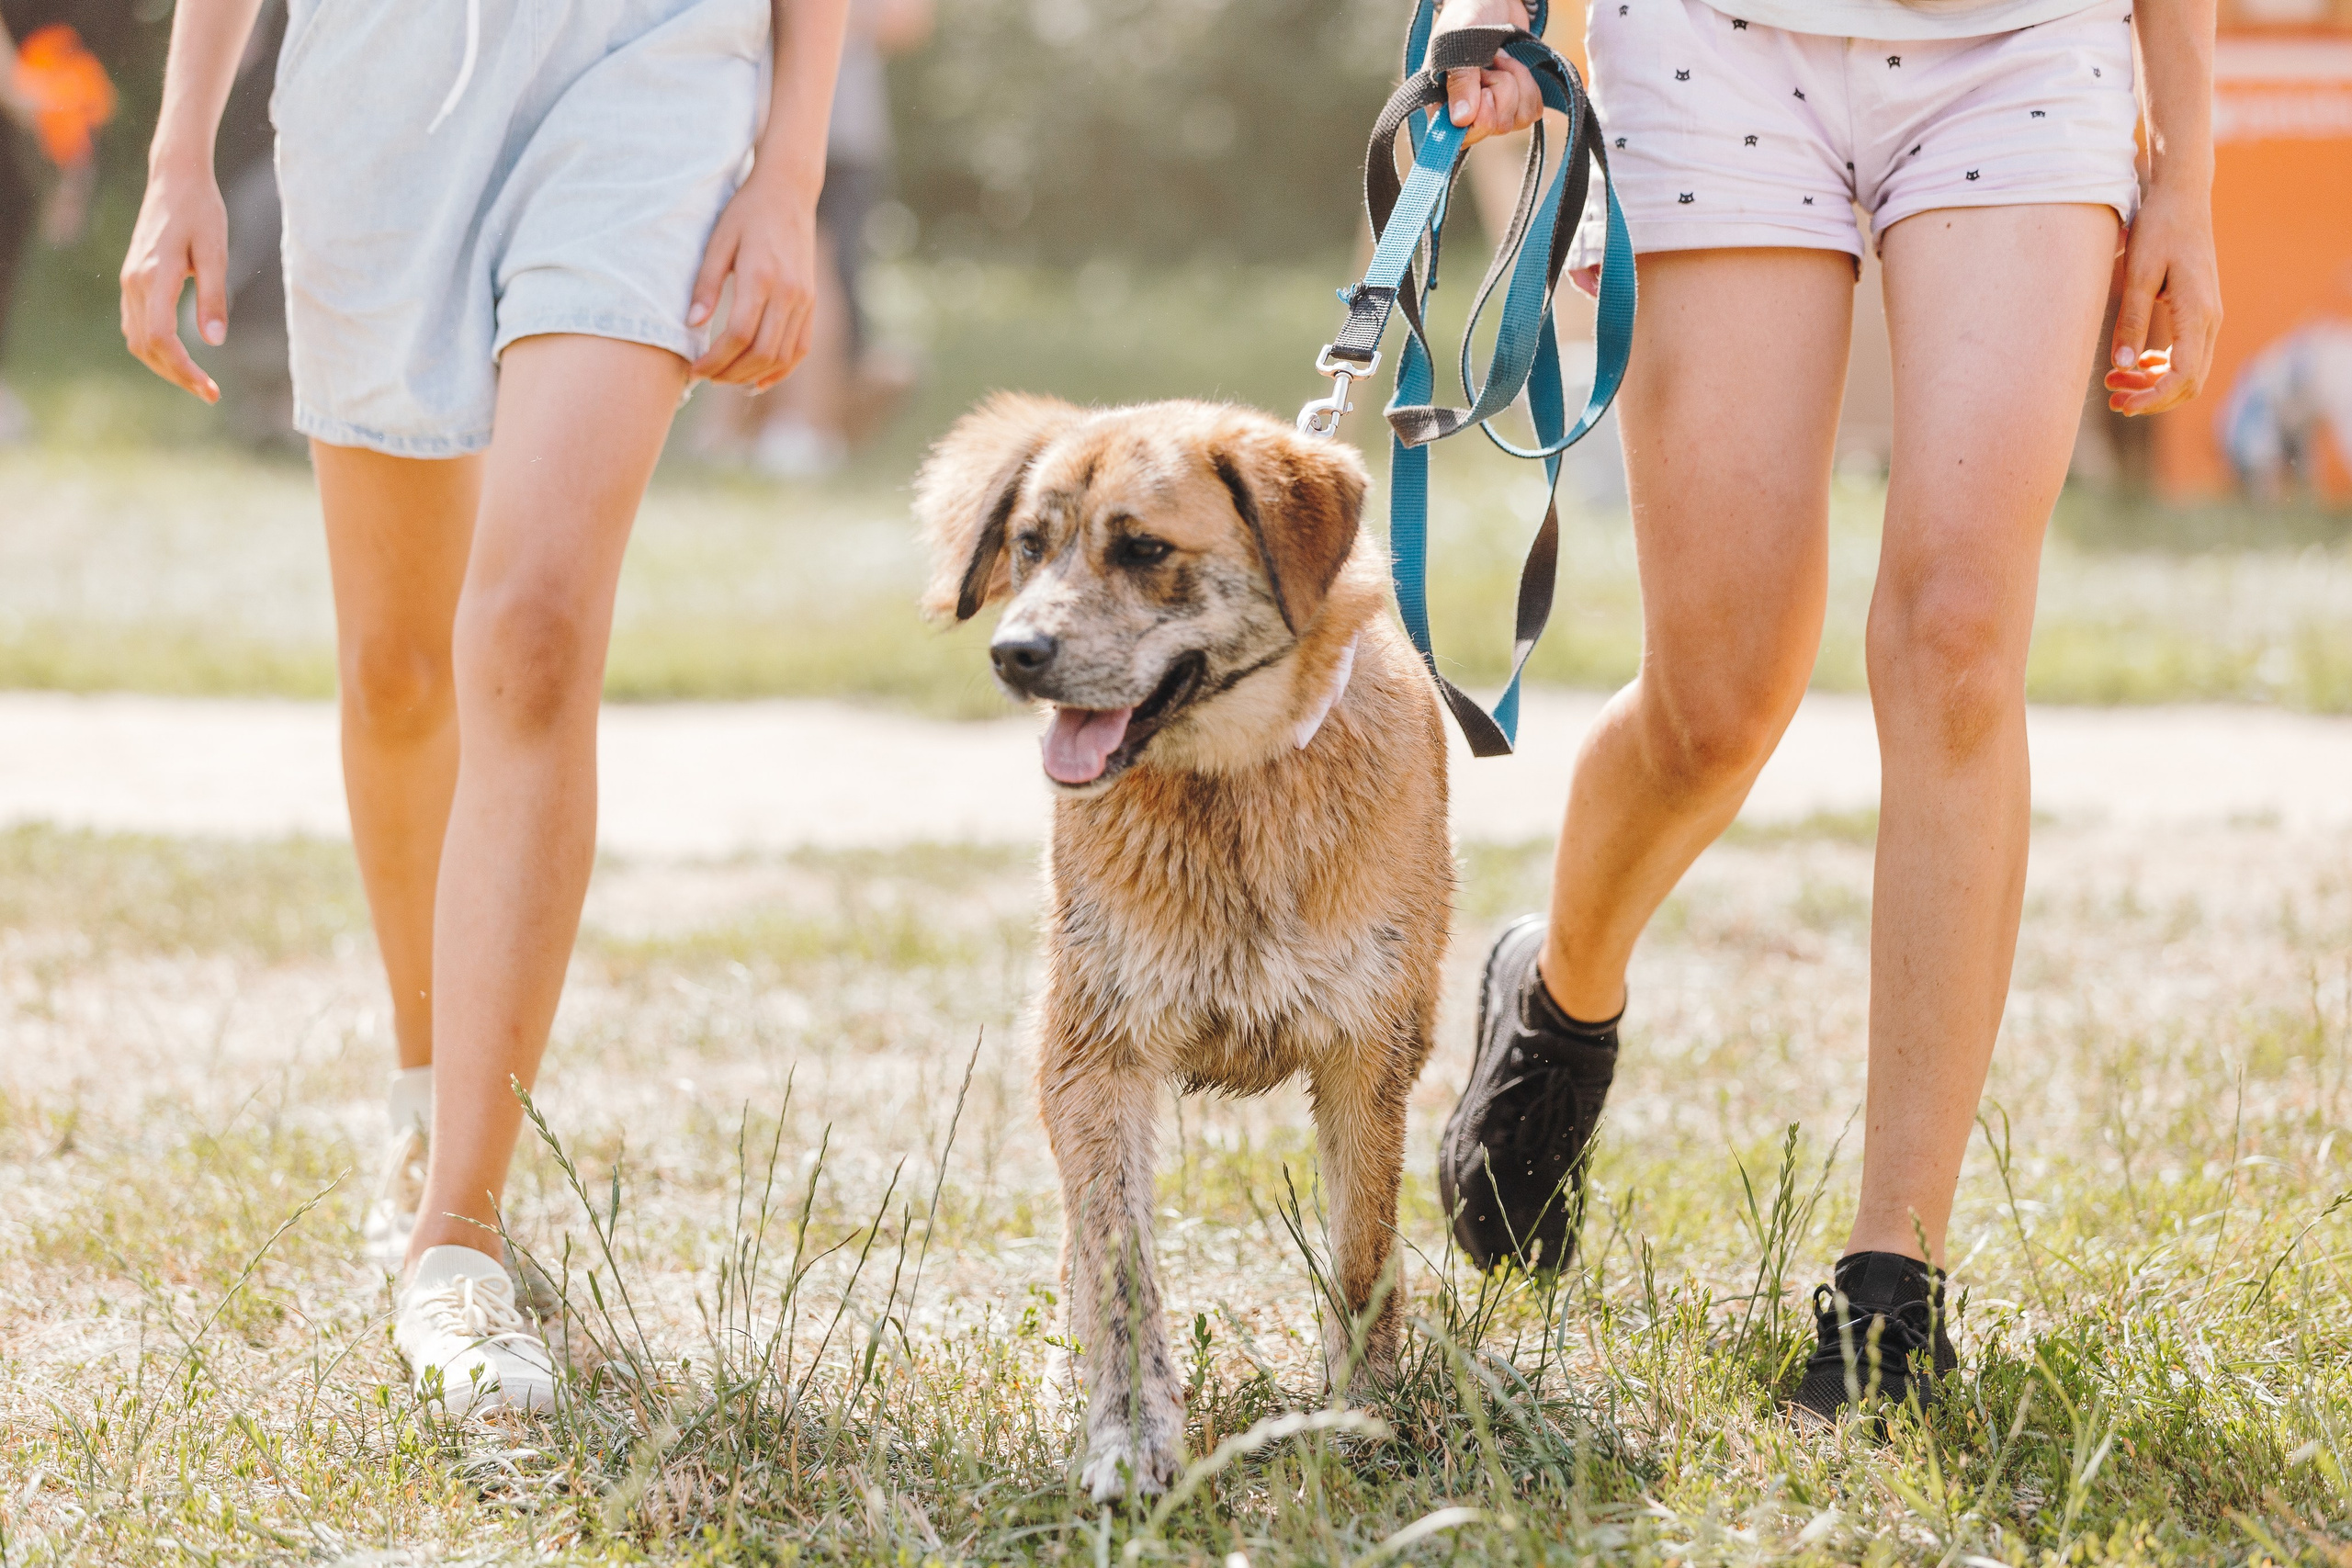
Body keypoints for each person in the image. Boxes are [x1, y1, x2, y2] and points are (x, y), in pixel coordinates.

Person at [1426, 0, 2217, 1421]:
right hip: (1717, 38)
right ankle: (1559, 993)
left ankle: (1890, 1292)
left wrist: (2193, 171)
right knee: (1719, 704)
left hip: (2023, 48)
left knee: (1957, 637)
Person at [120, 0, 849, 1413]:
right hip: (379, 92)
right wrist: (177, 155)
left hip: (652, 68)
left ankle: (457, 1241)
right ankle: (420, 1078)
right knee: (398, 674)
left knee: (530, 633)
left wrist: (790, 170)